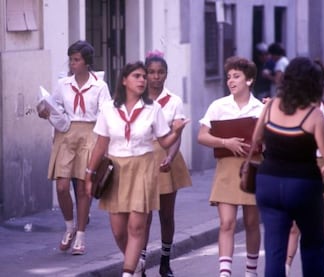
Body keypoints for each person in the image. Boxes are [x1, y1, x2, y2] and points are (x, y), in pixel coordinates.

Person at [84, 61, 189, 277]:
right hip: (116, 170)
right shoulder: (108, 109)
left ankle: (128, 272)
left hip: (143, 167)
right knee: (119, 231)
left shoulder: (153, 108)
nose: (143, 80)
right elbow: (100, 146)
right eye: (137, 76)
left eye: (144, 76)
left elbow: (165, 141)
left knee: (137, 227)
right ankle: (137, 264)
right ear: (124, 80)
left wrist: (177, 131)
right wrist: (89, 175)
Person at [243, 57, 324, 277]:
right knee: (313, 244)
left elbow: (257, 138)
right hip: (303, 186)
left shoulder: (271, 106)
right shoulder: (314, 115)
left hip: (268, 182)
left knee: (274, 249)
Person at [38, 40, 111, 255]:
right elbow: (56, 106)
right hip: (66, 134)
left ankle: (80, 235)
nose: (72, 64)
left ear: (87, 62)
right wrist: (47, 112)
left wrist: (103, 145)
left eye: (76, 60)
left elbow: (105, 115)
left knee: (82, 187)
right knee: (61, 186)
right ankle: (68, 226)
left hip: (90, 133)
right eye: (71, 59)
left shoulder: (99, 86)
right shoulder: (64, 84)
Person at [198, 56, 263, 277]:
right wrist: (225, 142)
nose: (231, 81)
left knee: (252, 222)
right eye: (229, 77)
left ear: (250, 80)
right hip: (226, 168)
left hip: (253, 167)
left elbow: (272, 138)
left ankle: (251, 271)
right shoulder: (219, 106)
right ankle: (225, 273)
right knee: (226, 223)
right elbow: (202, 136)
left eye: (237, 76)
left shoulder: (261, 107)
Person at [137, 52, 192, 277]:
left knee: (166, 215)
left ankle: (165, 261)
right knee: (143, 215)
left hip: (166, 156)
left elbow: (176, 133)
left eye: (160, 73)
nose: (156, 77)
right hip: (143, 157)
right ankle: (140, 262)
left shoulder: (174, 100)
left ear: (166, 75)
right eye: (151, 72)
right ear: (145, 74)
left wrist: (170, 156)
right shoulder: (137, 98)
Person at [284, 59, 324, 277]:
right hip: (298, 165)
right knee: (294, 224)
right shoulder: (293, 109)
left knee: (323, 224)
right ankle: (286, 267)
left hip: (322, 168)